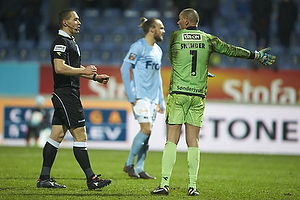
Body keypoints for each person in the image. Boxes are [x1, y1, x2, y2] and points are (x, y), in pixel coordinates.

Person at [151, 8, 276, 196]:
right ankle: (192, 186)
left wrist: (194, 72)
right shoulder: (209, 39)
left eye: (179, 20)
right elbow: (230, 50)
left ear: (186, 21)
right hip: (198, 95)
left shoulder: (175, 37)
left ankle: (164, 184)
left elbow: (176, 62)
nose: (177, 23)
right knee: (193, 141)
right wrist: (255, 55)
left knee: (172, 140)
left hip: (179, 93)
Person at [37, 9, 111, 190]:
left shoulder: (70, 42)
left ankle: (44, 178)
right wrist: (83, 70)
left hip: (67, 93)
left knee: (57, 136)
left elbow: (74, 68)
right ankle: (91, 178)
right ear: (65, 22)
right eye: (75, 19)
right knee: (80, 135)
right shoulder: (60, 43)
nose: (79, 22)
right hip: (66, 94)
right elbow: (60, 68)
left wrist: (95, 77)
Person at [120, 17, 166, 179]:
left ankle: (139, 168)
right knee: (146, 129)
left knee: (147, 135)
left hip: (153, 99)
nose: (163, 31)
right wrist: (130, 94)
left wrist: (161, 100)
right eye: (161, 28)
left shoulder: (158, 50)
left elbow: (158, 77)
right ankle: (129, 163)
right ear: (152, 29)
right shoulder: (138, 47)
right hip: (139, 95)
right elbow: (125, 69)